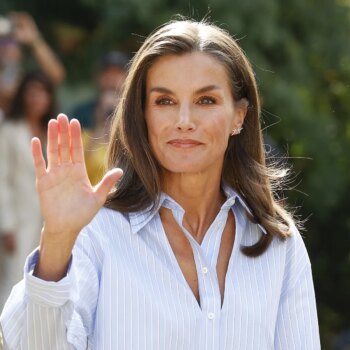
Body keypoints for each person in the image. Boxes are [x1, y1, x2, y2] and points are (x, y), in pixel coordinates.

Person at [0, 19, 320, 349]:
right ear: (143, 115)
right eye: (164, 101)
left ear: (239, 116)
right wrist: (57, 239)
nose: (184, 121)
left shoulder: (279, 243)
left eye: (206, 100)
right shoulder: (97, 234)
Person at [0, 70, 56, 311]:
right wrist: (7, 225)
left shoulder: (53, 130)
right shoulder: (10, 130)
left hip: (50, 224)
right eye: (32, 92)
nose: (37, 98)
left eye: (42, 93)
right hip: (19, 223)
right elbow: (2, 179)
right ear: (23, 95)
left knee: (45, 286)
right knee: (13, 284)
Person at [72, 51, 129, 184]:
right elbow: (77, 160)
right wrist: (100, 121)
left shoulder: (136, 113)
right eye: (107, 73)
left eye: (117, 73)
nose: (111, 78)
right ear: (98, 77)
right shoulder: (82, 112)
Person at [0, 12, 65, 116]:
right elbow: (6, 93)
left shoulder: (23, 76)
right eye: (3, 42)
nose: (6, 46)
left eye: (11, 42)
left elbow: (56, 75)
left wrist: (34, 39)